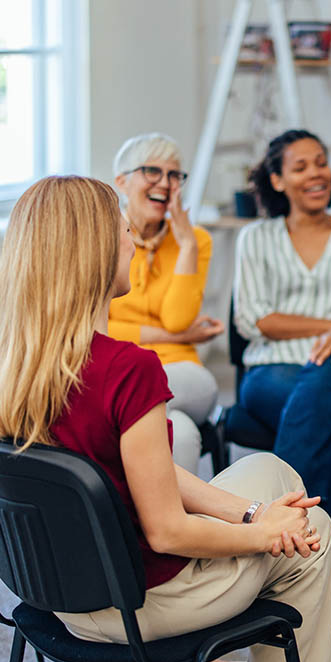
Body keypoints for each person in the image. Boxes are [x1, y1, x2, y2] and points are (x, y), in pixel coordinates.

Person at [0, 175, 331, 662]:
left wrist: (252, 514)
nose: (135, 242)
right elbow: (166, 532)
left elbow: (140, 475)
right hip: (142, 604)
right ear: (93, 251)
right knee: (313, 529)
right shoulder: (127, 369)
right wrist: (267, 535)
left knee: (271, 473)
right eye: (124, 231)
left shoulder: (13, 361)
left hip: (56, 594)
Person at [234, 129, 331, 642]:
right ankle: (328, 576)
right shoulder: (254, 239)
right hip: (270, 374)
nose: (316, 173)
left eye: (321, 162)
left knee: (330, 372)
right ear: (277, 180)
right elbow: (255, 319)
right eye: (300, 166)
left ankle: (271, 547)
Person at [110, 133, 223, 474]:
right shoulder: (103, 237)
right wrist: (176, 337)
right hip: (122, 367)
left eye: (174, 175)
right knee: (182, 433)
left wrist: (186, 245)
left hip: (183, 376)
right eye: (152, 172)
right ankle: (172, 526)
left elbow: (177, 318)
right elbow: (95, 326)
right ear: (122, 181)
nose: (166, 183)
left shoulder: (196, 240)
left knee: (190, 392)